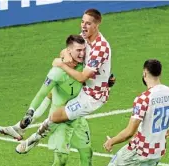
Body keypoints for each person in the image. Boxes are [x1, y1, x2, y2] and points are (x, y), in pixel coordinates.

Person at [0, 35, 98, 166]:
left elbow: (97, 76)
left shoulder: (84, 65)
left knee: (87, 154)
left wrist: (109, 81)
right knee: (61, 160)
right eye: (78, 50)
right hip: (60, 120)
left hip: (78, 118)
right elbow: (42, 93)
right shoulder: (56, 72)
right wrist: (30, 112)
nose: (82, 53)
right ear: (69, 50)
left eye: (83, 50)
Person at [15, 8, 112, 154]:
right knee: (54, 91)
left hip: (92, 96)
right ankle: (22, 126)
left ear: (97, 25)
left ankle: (33, 139)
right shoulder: (84, 37)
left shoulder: (100, 48)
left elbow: (82, 77)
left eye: (88, 24)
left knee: (56, 116)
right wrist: (64, 56)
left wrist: (61, 64)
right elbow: (67, 50)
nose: (83, 26)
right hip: (81, 87)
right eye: (82, 22)